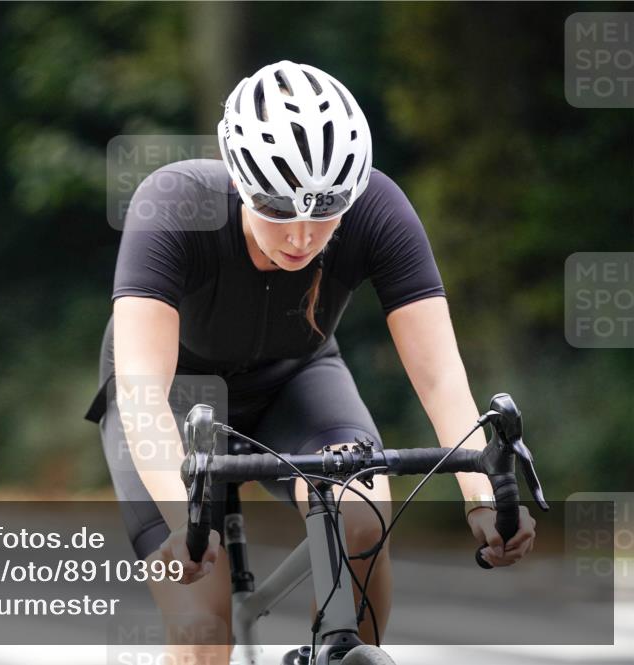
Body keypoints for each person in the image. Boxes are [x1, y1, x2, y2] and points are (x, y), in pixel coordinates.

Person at [84, 60, 537, 662]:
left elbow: (440, 376)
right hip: (172, 397)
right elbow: (142, 388)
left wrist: (482, 493)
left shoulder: (379, 207)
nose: (301, 235)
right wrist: (183, 517)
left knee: (363, 515)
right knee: (202, 626)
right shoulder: (172, 205)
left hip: (295, 378)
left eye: (325, 210)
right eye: (277, 209)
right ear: (240, 184)